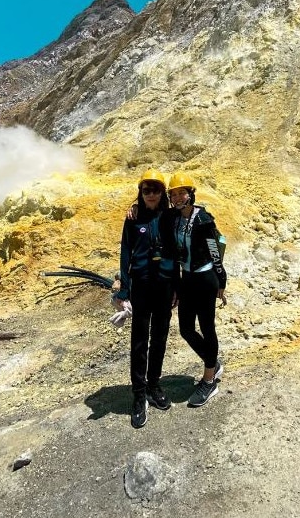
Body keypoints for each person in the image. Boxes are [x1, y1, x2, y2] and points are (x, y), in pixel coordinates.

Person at [115, 169, 178, 429]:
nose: (151, 194)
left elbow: (176, 252)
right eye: (146, 190)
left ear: (162, 193)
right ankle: (138, 395)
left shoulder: (170, 216)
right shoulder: (133, 218)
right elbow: (125, 254)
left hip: (164, 285)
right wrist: (123, 291)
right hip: (141, 285)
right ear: (141, 193)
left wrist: (177, 287)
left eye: (155, 190)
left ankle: (154, 384)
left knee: (160, 337)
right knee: (140, 341)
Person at [167, 171, 227, 407]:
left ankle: (209, 380)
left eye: (182, 192)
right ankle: (213, 363)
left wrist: (221, 282)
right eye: (174, 194)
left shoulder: (203, 220)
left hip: (205, 279)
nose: (178, 197)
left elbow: (214, 251)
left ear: (191, 194)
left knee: (207, 327)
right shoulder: (173, 218)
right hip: (186, 279)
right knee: (185, 329)